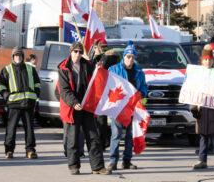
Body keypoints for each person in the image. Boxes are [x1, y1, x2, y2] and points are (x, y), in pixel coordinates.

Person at [58, 42, 109, 175]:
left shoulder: (87, 65)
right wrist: (74, 103)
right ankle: (74, 165)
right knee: (73, 139)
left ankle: (97, 167)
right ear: (70, 52)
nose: (78, 54)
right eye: (75, 52)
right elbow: (64, 90)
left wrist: (100, 59)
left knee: (93, 137)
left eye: (80, 52)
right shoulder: (64, 68)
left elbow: (98, 71)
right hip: (72, 108)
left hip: (87, 106)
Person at [107, 41, 147, 172]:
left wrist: (141, 97)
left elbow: (144, 89)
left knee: (130, 136)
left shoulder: (139, 73)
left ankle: (127, 161)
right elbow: (108, 86)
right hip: (118, 109)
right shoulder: (114, 70)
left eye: (132, 57)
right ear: (123, 57)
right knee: (116, 135)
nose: (130, 59)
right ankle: (113, 161)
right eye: (128, 56)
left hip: (133, 108)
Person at [0, 47, 41, 159]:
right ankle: (9, 150)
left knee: (29, 129)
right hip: (14, 104)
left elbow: (37, 83)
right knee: (11, 128)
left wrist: (36, 93)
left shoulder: (30, 68)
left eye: (20, 55)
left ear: (22, 57)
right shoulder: (6, 69)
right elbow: (1, 85)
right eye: (16, 55)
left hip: (28, 103)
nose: (18, 57)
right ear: (13, 57)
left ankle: (30, 150)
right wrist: (6, 95)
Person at [91, 45, 119, 151]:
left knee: (101, 121)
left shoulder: (109, 59)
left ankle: (102, 143)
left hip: (104, 94)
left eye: (98, 48)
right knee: (101, 121)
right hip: (103, 94)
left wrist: (100, 55)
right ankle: (103, 142)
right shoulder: (103, 59)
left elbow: (103, 67)